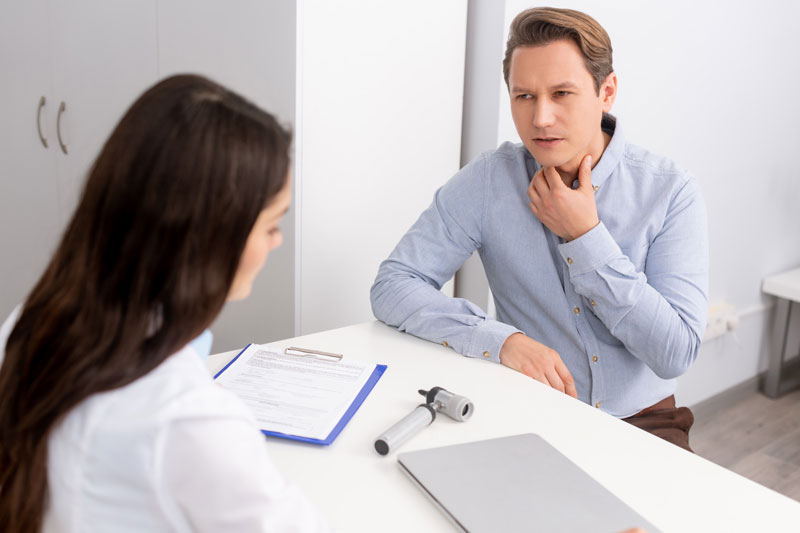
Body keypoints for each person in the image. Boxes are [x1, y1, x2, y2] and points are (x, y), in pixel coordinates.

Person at [0, 75, 330, 532]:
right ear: (210, 239)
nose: (278, 242)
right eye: (271, 224)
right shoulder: (189, 421)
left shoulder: (31, 321)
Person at [371, 7, 708, 451]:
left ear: (606, 92)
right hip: (528, 411)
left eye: (562, 93)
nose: (541, 118)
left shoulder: (669, 191)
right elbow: (393, 285)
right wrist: (502, 339)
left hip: (645, 423)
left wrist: (585, 236)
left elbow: (675, 352)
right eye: (524, 96)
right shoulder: (489, 181)